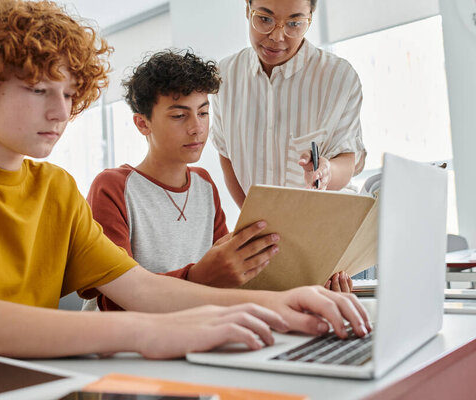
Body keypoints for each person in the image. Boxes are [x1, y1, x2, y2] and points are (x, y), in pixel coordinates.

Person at [0, 0, 369, 358]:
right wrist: (146, 334)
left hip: (32, 378)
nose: (60, 112)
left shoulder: (56, 188)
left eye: (70, 94)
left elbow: (145, 290)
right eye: (38, 89)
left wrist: (282, 305)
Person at [86, 49, 351, 313]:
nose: (197, 128)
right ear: (143, 124)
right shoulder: (112, 187)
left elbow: (228, 280)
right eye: (180, 116)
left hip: (190, 331)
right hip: (120, 343)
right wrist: (199, 277)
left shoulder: (203, 184)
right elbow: (114, 301)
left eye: (203, 113)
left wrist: (310, 284)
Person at [211, 0, 366, 290]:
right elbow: (226, 156)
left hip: (327, 250)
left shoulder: (339, 77)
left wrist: (327, 171)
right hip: (259, 249)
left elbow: (349, 156)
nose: (277, 37)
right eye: (265, 19)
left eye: (294, 23)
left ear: (310, 18)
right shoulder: (224, 77)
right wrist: (255, 224)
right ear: (247, 8)